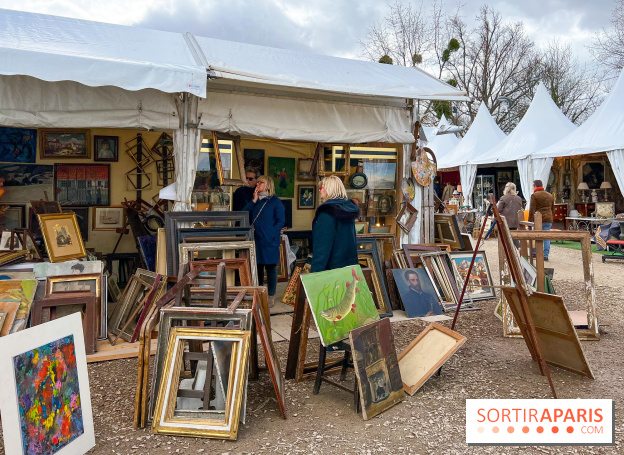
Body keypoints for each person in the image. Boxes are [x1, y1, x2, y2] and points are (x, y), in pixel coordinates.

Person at [243, 176, 285, 307]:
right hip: (257, 239)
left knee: (271, 268)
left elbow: (281, 221)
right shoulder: (255, 202)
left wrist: (272, 232)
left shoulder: (275, 202)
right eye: (258, 182)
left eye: (261, 182)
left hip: (270, 239)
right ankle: (260, 292)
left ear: (268, 185)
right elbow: (243, 214)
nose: (258, 184)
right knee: (258, 267)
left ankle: (271, 295)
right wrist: (253, 201)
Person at [310, 175, 359, 273]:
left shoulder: (326, 213)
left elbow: (322, 248)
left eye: (321, 188)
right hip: (349, 269)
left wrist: (314, 274)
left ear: (329, 189)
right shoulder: (348, 209)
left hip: (332, 271)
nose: (319, 190)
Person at [529, 179, 554, 261]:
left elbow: (532, 209)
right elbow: (552, 209)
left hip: (538, 219)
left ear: (535, 186)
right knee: (546, 237)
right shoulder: (550, 195)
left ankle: (535, 253)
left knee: (536, 235)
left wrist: (530, 221)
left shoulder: (535, 195)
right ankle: (545, 255)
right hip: (548, 218)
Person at [497, 182, 524, 248]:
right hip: (515, 221)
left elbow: (498, 210)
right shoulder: (519, 199)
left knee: (507, 238)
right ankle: (517, 249)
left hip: (506, 221)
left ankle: (516, 249)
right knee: (513, 236)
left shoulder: (503, 198)